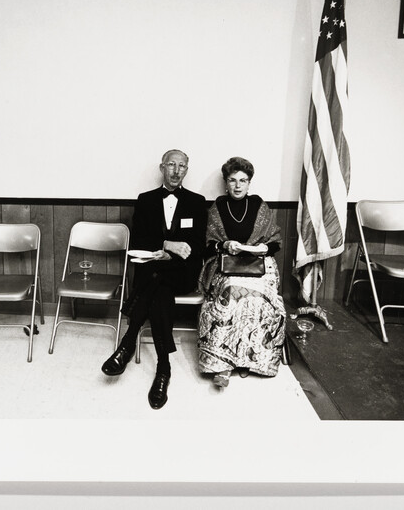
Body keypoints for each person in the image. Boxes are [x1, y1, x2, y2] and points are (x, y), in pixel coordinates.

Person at [101, 149, 207, 409]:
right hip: (153, 269)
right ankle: (164, 367)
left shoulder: (197, 201)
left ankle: (127, 342)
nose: (176, 170)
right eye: (171, 164)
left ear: (186, 170)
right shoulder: (145, 200)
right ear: (162, 167)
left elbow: (199, 247)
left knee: (156, 281)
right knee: (159, 288)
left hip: (182, 272)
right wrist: (166, 244)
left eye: (182, 166)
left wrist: (173, 256)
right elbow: (138, 240)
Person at [197, 156, 286, 387]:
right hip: (225, 266)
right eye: (232, 180)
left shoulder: (258, 204)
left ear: (249, 183)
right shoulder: (218, 206)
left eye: (243, 180)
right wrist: (224, 246)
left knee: (260, 297)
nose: (237, 185)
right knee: (230, 292)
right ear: (226, 182)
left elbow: (275, 242)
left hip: (259, 266)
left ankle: (254, 360)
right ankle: (222, 365)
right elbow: (208, 244)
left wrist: (263, 248)